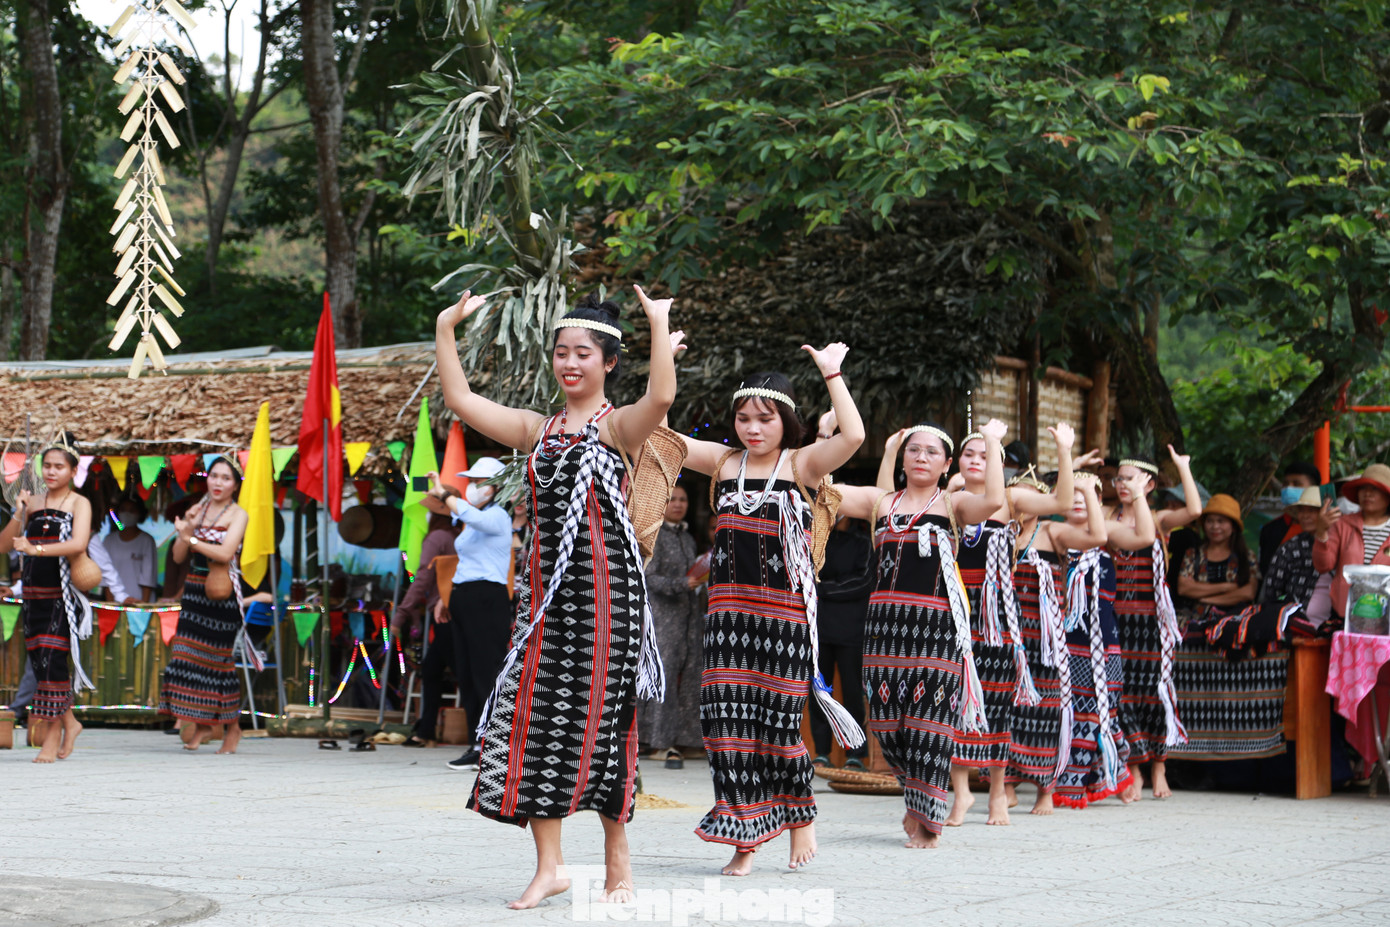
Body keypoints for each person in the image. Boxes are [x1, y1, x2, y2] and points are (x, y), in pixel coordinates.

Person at [435, 285, 674, 909]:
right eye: (561, 352)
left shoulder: (619, 426)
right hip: (544, 598)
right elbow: (459, 398)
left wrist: (657, 324)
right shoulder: (536, 431)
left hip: (607, 599)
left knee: (600, 725)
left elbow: (664, 397)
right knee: (537, 724)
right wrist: (444, 327)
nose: (570, 363)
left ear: (608, 363)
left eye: (583, 354)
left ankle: (617, 857)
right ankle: (551, 866)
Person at [678, 358, 866, 876]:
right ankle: (745, 836)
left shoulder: (802, 465)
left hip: (783, 616)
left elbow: (853, 434)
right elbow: (655, 432)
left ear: (786, 420)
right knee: (726, 725)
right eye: (743, 418)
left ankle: (799, 813)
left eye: (765, 418)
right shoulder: (722, 463)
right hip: (728, 614)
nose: (753, 428)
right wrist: (664, 359)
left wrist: (832, 374)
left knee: (778, 723)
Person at [832, 420, 1003, 847]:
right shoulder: (881, 502)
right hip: (884, 631)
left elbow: (996, 499)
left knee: (928, 725)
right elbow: (823, 488)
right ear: (904, 458)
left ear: (947, 465)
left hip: (937, 630)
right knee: (889, 728)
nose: (921, 457)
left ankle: (929, 820)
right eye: (913, 450)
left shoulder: (955, 503)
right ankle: (916, 799)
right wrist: (830, 437)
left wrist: (994, 444)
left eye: (931, 452)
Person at [944, 423, 1075, 827]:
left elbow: (1063, 501)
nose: (976, 461)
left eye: (985, 455)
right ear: (958, 463)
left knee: (997, 702)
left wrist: (1064, 450)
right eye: (970, 454)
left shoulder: (1013, 499)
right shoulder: (949, 498)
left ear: (999, 462)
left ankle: (998, 791)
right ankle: (962, 793)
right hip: (953, 608)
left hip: (998, 616)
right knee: (952, 700)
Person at [1104, 447, 1201, 801]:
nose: (1121, 484)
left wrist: (1182, 468)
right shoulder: (1107, 515)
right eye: (1119, 478)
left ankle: (1159, 766)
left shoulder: (1158, 520)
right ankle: (1134, 768)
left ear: (1148, 484)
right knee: (1122, 691)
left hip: (1153, 620)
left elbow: (1194, 510)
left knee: (1155, 691)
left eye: (1129, 478)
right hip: (1115, 617)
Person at [1052, 471, 1146, 808]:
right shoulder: (1055, 536)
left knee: (1102, 710)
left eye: (1087, 493)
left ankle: (1115, 774)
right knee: (1069, 712)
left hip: (1102, 641)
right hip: (1062, 641)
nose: (1078, 498)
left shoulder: (1107, 535)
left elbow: (1146, 535)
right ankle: (1066, 779)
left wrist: (1134, 494)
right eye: (1072, 493)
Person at [0, 436, 95, 763]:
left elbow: (78, 543)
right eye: (48, 466)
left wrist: (35, 548)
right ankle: (71, 722)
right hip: (33, 597)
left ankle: (52, 738)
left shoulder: (78, 503)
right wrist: (19, 511)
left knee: (54, 663)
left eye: (59, 466)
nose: (52, 471)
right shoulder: (34, 502)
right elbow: (4, 545)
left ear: (71, 470)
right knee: (41, 666)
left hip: (62, 597)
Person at [425, 457, 515, 772]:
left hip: (487, 599)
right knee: (465, 672)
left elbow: (467, 513)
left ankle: (494, 746)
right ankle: (478, 743)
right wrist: (445, 599)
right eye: (472, 481)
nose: (474, 487)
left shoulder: (499, 517)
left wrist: (444, 493)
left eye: (479, 482)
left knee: (486, 673)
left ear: (497, 488)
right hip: (465, 598)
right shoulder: (474, 519)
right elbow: (463, 562)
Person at [158, 455, 252, 754]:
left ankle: (233, 727)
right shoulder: (198, 509)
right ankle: (200, 724)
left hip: (222, 596)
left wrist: (192, 538)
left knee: (218, 665)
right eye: (214, 476)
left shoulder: (239, 515)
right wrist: (189, 528)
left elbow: (225, 553)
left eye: (226, 478)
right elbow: (176, 556)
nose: (218, 483)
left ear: (235, 485)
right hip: (195, 592)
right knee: (186, 656)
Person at [638, 483, 702, 770]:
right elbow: (648, 577)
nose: (678, 504)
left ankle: (685, 740)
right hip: (662, 617)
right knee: (661, 677)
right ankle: (657, 742)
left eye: (683, 499)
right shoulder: (656, 535)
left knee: (690, 677)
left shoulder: (687, 538)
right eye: (672, 499)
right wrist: (683, 584)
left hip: (688, 617)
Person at [395, 489, 463, 747]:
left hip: (443, 610)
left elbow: (422, 578)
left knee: (457, 671)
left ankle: (429, 729)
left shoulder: (437, 538)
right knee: (434, 669)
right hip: (458, 607)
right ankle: (425, 728)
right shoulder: (459, 535)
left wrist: (401, 614)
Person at [808, 512, 873, 770]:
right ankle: (821, 752)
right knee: (819, 693)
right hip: (819, 630)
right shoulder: (816, 542)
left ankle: (855, 754)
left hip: (851, 630)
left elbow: (863, 581)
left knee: (852, 692)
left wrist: (823, 590)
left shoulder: (862, 543)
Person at [1313, 463, 1390, 626]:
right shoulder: (1342, 524)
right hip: (1345, 615)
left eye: (1374, 489)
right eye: (1363, 488)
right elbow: (1323, 566)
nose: (1367, 493)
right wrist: (1321, 532)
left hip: (1385, 619)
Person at [1258, 462, 1322, 577]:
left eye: (1296, 484)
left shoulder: (1328, 528)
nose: (1288, 488)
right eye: (1285, 484)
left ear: (1313, 489)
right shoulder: (1270, 530)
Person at [104, 495, 158, 603]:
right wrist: (111, 606)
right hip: (115, 603)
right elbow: (106, 577)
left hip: (139, 602)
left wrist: (143, 607)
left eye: (132, 510)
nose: (127, 513)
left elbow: (148, 578)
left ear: (140, 513)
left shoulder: (147, 541)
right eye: (123, 509)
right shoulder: (109, 540)